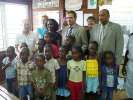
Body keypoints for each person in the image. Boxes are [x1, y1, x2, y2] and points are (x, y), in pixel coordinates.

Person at [122, 33, 133, 99]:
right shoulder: (131, 37)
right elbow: (127, 51)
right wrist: (124, 66)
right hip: (131, 65)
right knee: (129, 85)